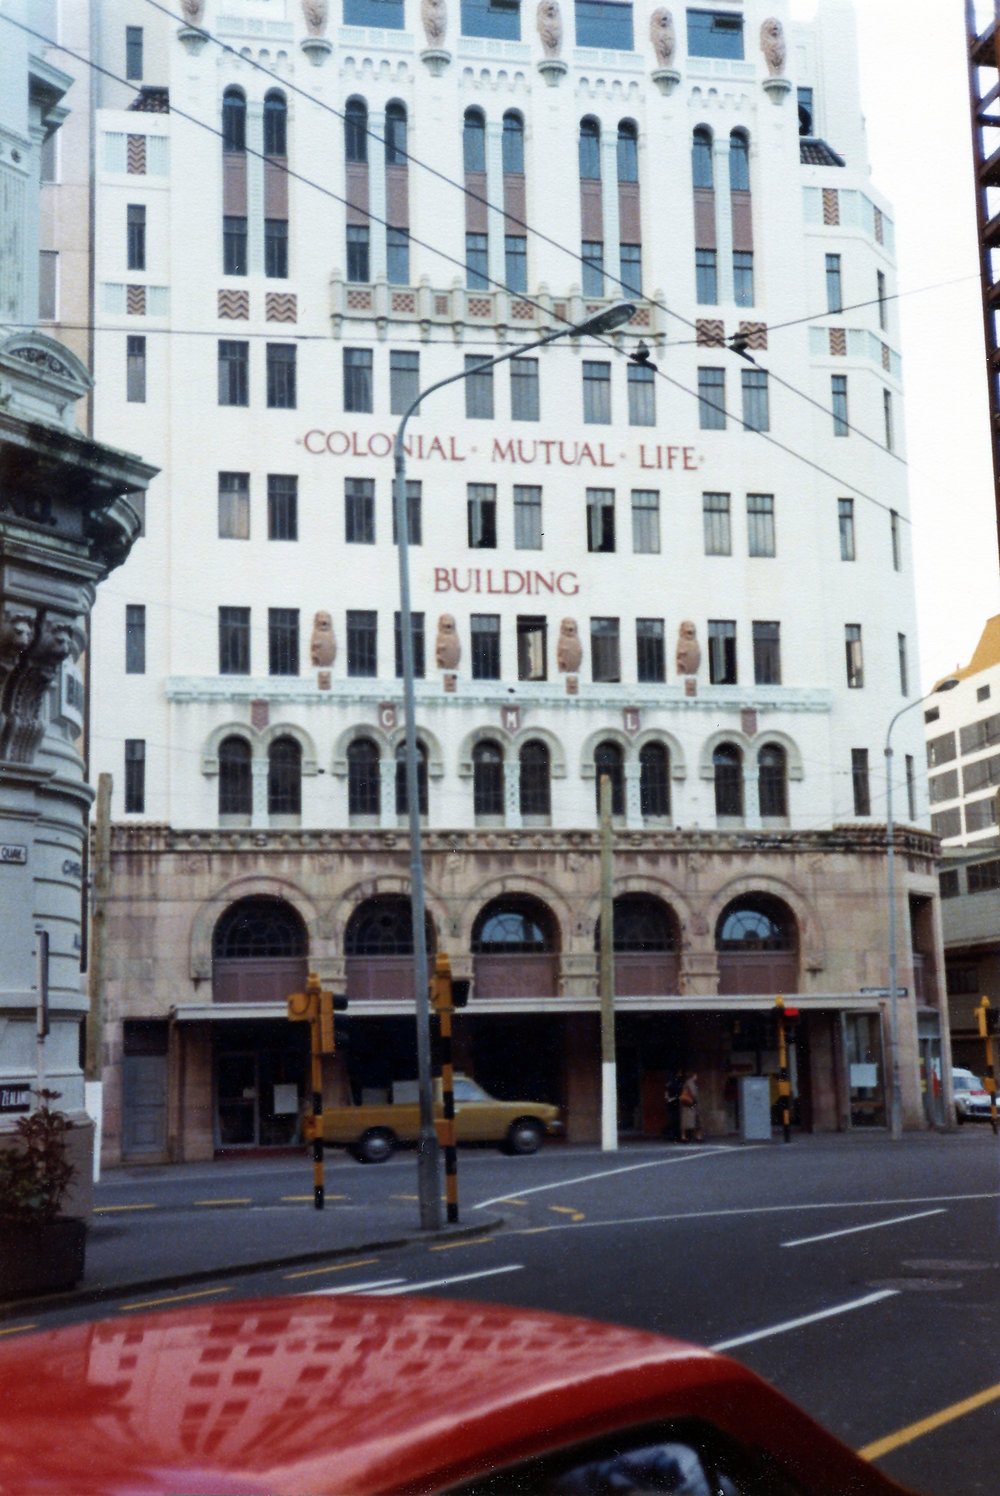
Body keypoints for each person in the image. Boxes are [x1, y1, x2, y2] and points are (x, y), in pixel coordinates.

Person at [679, 1070, 702, 1143]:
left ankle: (684, 1137)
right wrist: (696, 1100)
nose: (697, 1077)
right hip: (691, 1105)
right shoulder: (690, 1082)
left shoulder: (687, 1082)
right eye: (696, 1075)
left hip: (687, 1105)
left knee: (686, 1122)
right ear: (693, 1075)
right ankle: (697, 1137)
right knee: (695, 1121)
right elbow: (694, 1093)